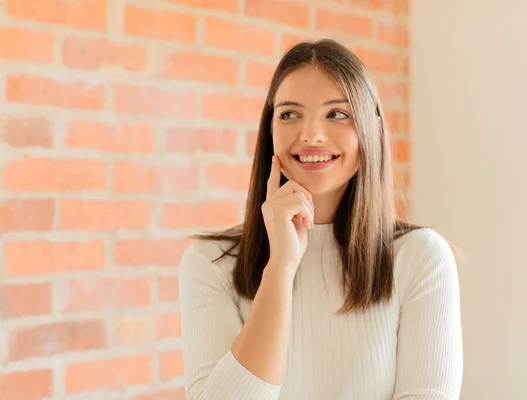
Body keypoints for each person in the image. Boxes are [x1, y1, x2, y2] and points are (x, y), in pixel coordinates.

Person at [179, 39, 463, 400]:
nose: (311, 134)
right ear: (270, 132)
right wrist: (280, 267)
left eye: (337, 114)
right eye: (289, 114)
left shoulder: (421, 258)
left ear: (369, 131)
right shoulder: (210, 264)